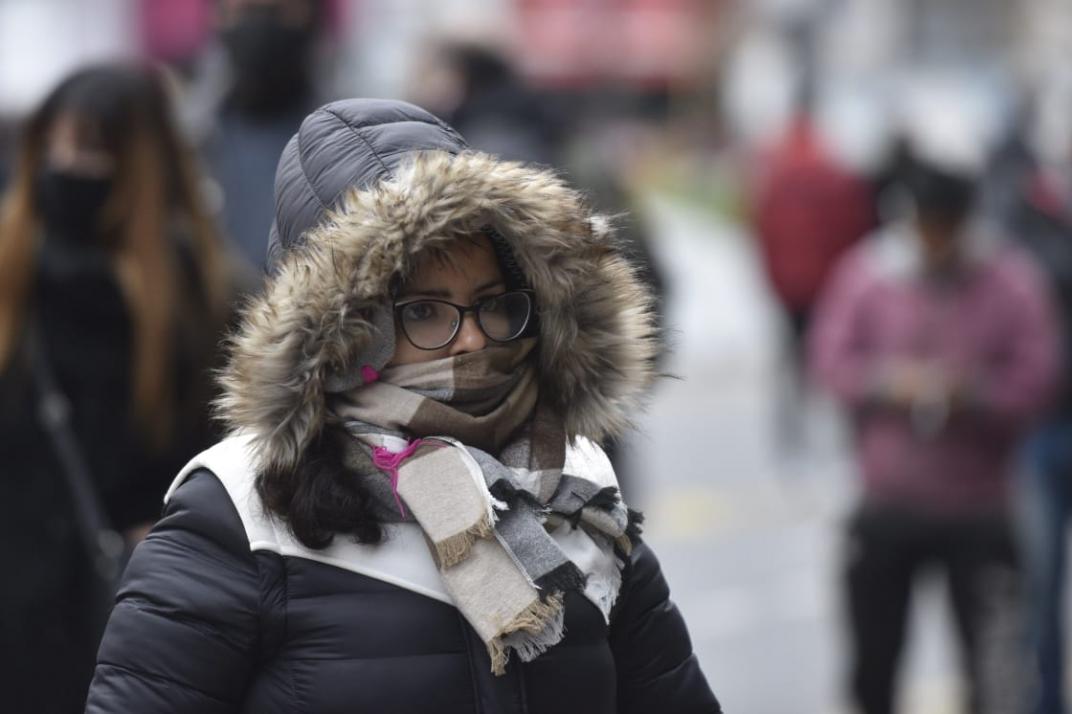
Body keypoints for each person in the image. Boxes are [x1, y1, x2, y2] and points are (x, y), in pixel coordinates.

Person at [83, 98, 720, 713]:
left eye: (494, 301)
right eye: (423, 311)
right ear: (346, 335)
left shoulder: (575, 483)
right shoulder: (243, 511)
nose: (473, 338)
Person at [0, 63, 237, 713]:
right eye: (51, 147)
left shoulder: (207, 304)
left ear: (143, 166)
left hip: (131, 630)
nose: (63, 167)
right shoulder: (12, 284)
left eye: (90, 150)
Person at [809, 122, 1061, 714]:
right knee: (874, 664)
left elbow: (1039, 375)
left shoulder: (1008, 280)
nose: (936, 242)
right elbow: (830, 362)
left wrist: (972, 393)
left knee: (993, 670)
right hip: (888, 501)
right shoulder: (870, 275)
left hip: (979, 504)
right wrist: (888, 384)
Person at [196, 0, 329, 270]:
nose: (261, 26)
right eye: (247, 12)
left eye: (277, 12)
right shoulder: (188, 141)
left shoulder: (352, 145)